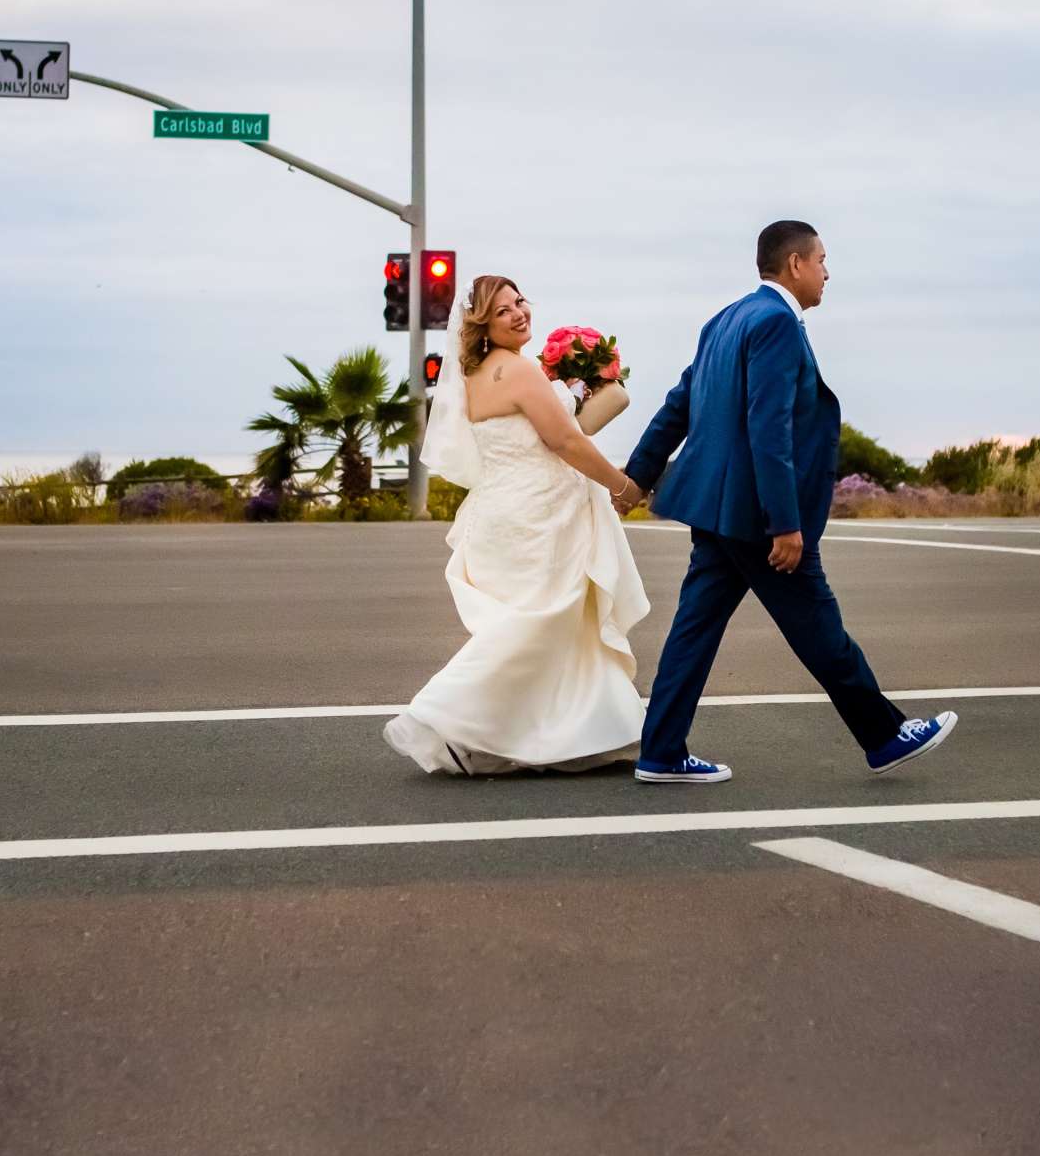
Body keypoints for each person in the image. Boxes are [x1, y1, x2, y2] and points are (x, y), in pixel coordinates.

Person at [619, 221, 957, 783]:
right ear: (795, 264)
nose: (828, 272)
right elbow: (768, 425)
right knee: (817, 624)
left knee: (693, 631)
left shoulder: (724, 320)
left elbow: (678, 405)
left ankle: (661, 752)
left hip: (716, 509)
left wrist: (637, 478)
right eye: (823, 259)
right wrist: (784, 522)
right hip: (756, 516)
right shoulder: (775, 322)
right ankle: (884, 734)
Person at [382, 274, 652, 774]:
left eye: (520, 301)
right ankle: (442, 713)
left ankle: (584, 731)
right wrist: (623, 487)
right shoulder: (519, 371)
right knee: (537, 628)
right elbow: (565, 442)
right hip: (541, 516)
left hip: (502, 514)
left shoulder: (475, 376)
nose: (519, 312)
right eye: (503, 310)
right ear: (482, 323)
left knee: (555, 630)